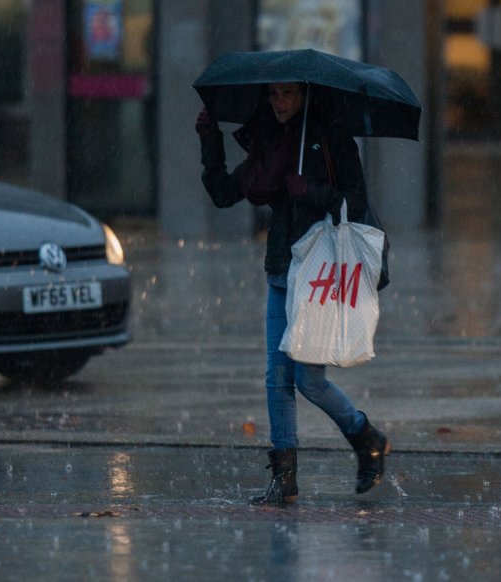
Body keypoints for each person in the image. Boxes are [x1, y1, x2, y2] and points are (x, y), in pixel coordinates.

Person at [195, 82, 390, 504]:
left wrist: (313, 191)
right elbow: (224, 193)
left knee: (309, 381)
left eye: (287, 94)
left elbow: (355, 202)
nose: (279, 103)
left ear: (304, 95)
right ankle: (284, 480)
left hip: (318, 276)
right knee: (276, 378)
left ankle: (366, 436)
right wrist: (210, 141)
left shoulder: (330, 138)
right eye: (273, 95)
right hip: (282, 270)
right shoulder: (268, 139)